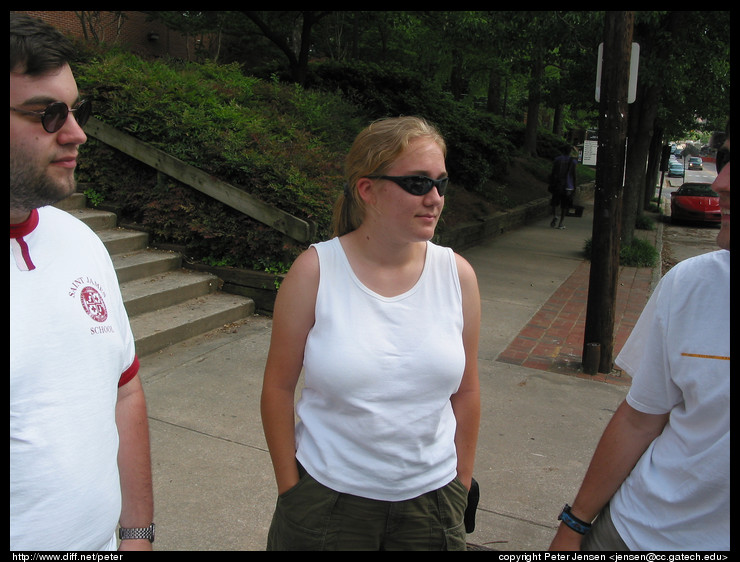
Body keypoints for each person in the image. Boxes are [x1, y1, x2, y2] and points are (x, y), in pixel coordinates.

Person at [260, 116, 481, 551]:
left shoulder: (457, 276)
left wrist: (460, 483)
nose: (434, 198)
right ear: (368, 190)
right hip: (327, 503)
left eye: (441, 183)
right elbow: (277, 387)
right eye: (418, 183)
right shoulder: (315, 271)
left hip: (431, 507)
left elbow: (467, 391)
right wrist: (293, 492)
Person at [10, 14, 154, 551]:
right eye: (47, 114)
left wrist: (137, 535)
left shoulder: (81, 241)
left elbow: (125, 390)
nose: (77, 133)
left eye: (76, 110)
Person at [549, 124, 730, 551]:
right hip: (636, 532)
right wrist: (574, 525)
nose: (721, 182)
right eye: (724, 162)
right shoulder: (690, 284)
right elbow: (640, 417)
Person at [548, 146, 577, 229]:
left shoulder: (557, 159)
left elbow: (553, 172)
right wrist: (574, 186)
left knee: (554, 202)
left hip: (558, 185)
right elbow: (574, 175)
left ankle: (555, 215)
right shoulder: (573, 161)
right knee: (565, 206)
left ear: (563, 151)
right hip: (568, 186)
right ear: (569, 152)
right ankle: (561, 223)